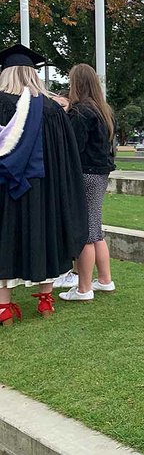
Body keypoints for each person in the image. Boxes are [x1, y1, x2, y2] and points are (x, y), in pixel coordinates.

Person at [0, 44, 87, 324]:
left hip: (5, 187)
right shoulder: (51, 109)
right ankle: (46, 300)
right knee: (43, 233)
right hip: (43, 189)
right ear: (33, 73)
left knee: (4, 237)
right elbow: (65, 159)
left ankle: (3, 307)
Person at [58, 64, 117, 301]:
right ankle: (104, 280)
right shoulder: (104, 110)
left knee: (86, 231)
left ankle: (84, 288)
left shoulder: (81, 112)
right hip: (100, 173)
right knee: (95, 228)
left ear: (77, 83)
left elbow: (73, 147)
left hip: (85, 173)